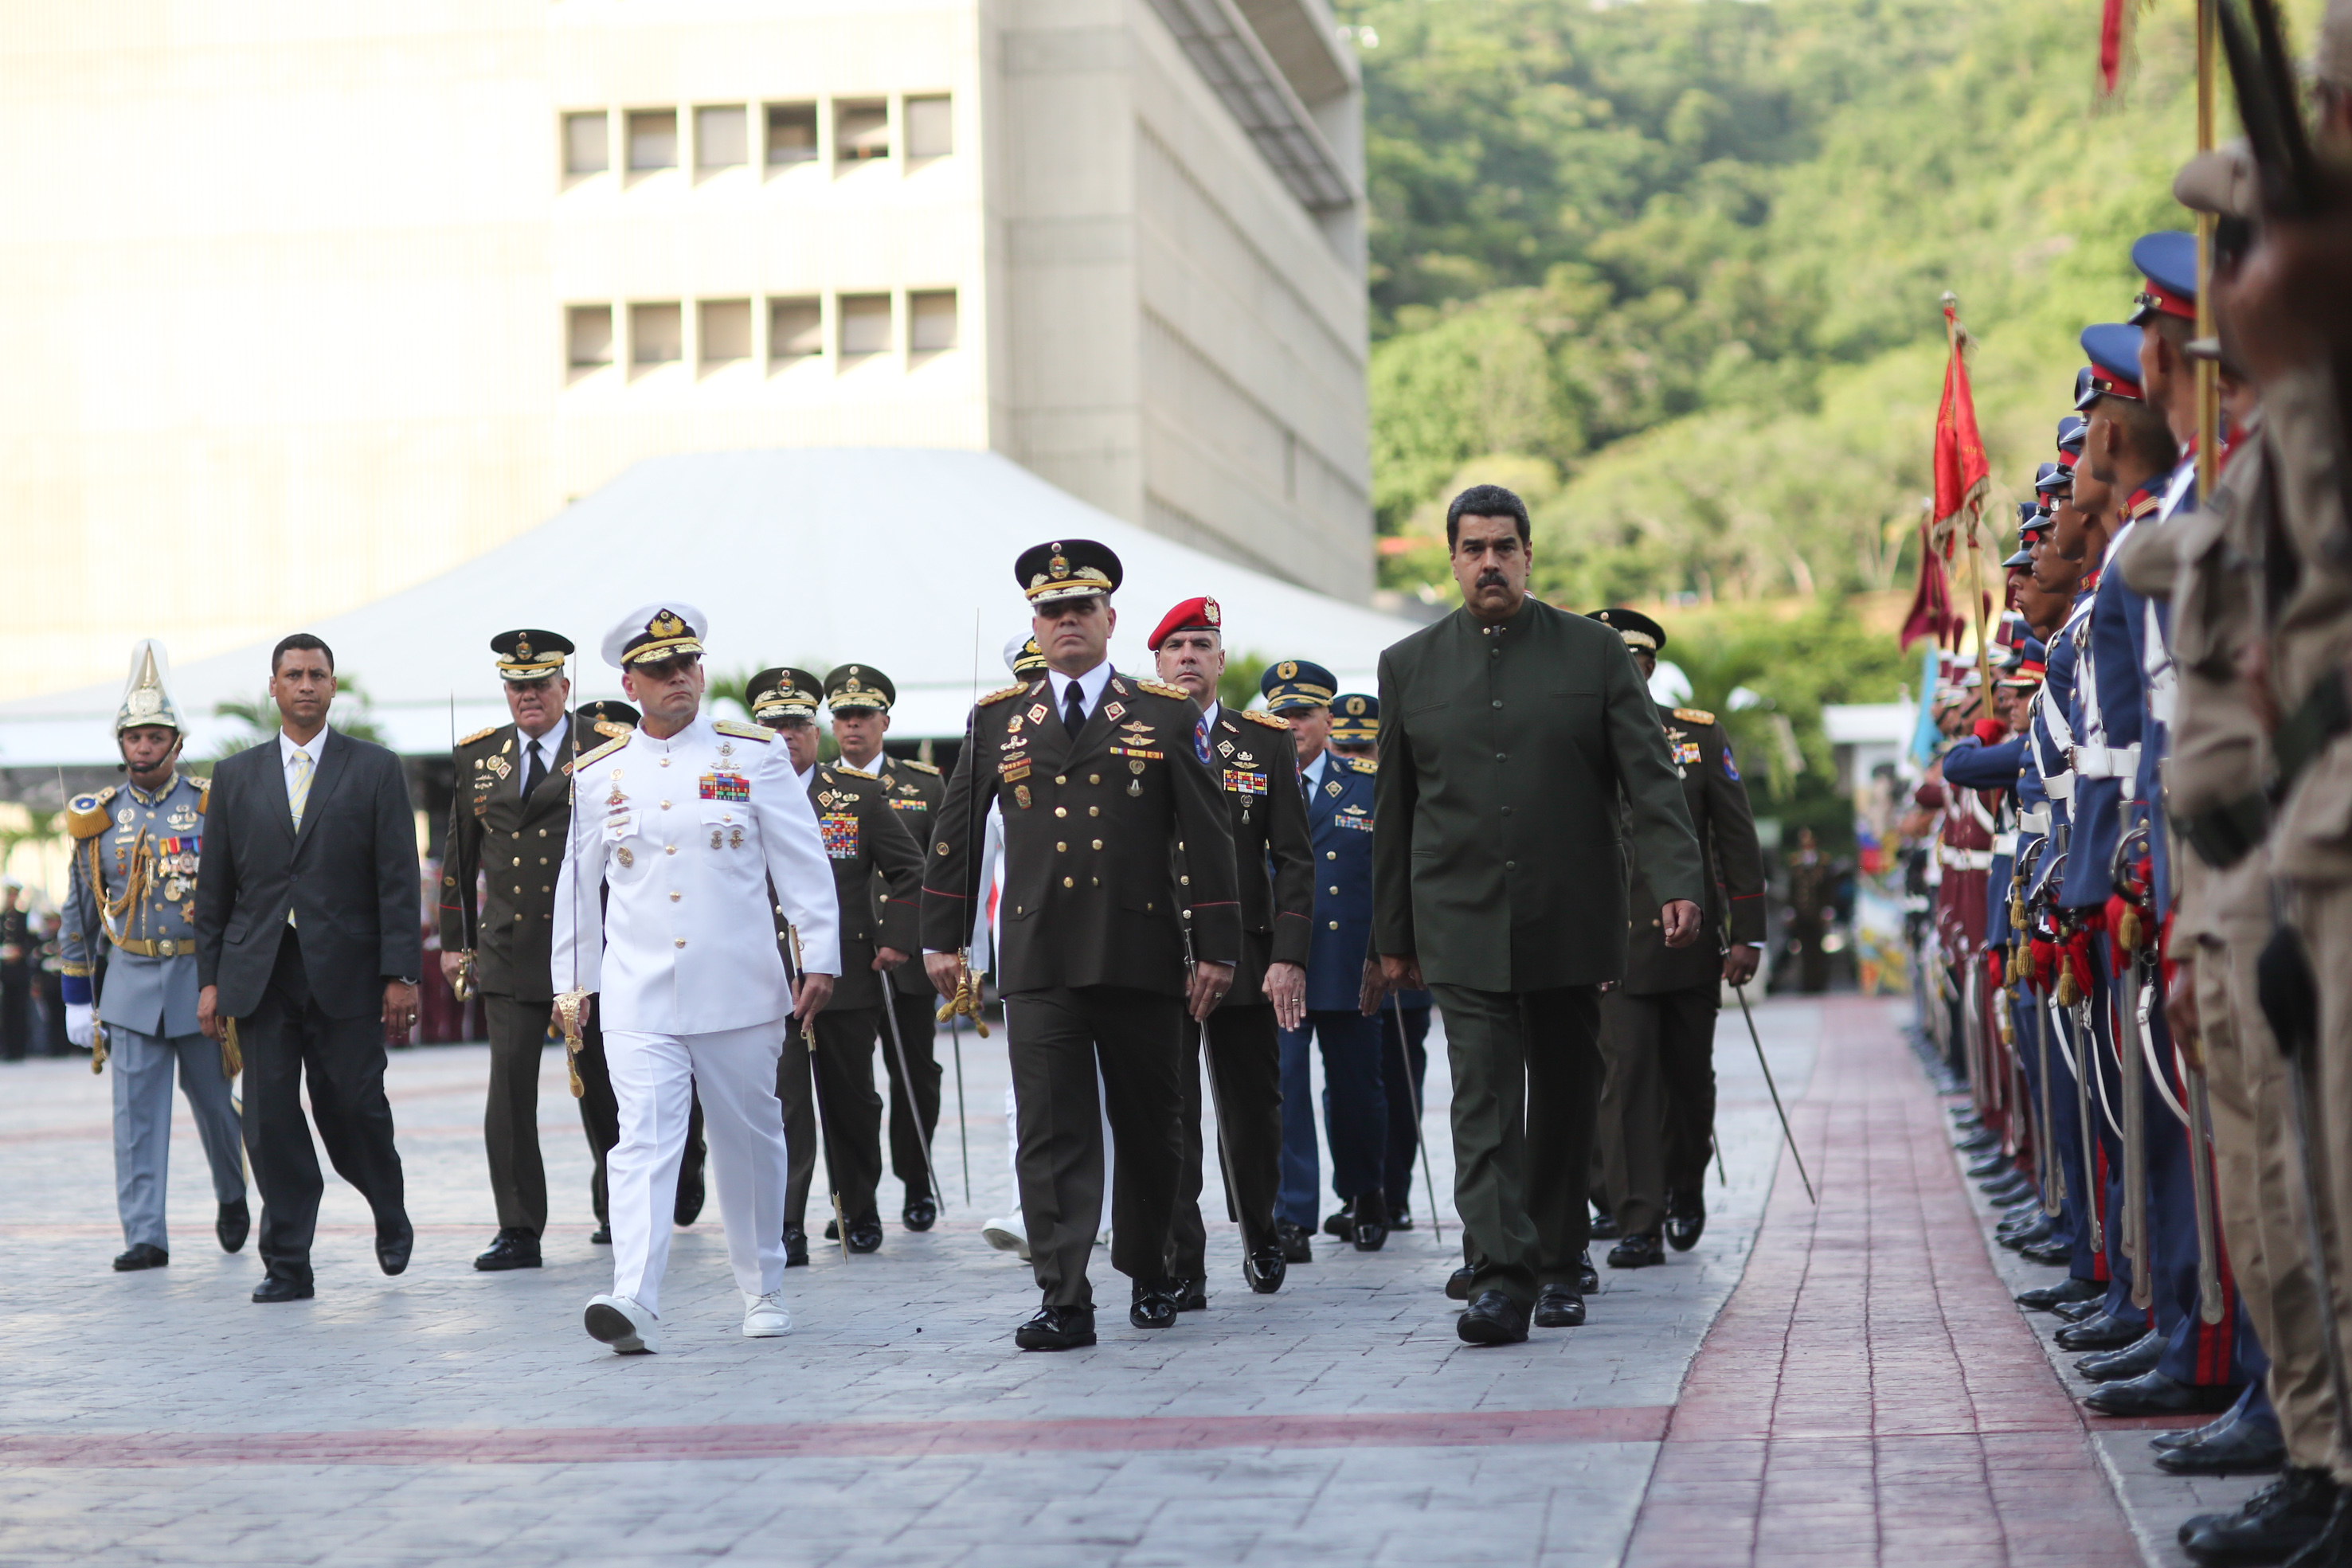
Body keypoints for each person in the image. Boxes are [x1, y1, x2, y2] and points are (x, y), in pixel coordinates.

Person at [1372, 483, 1704, 1345]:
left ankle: (1558, 1259)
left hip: (1568, 912)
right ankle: (1499, 1274)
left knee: (1561, 1100)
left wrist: (1677, 880)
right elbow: (1396, 814)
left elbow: (1649, 778)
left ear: (1528, 555)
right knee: (1480, 1100)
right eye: (1473, 547)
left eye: (1504, 546)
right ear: (1450, 559)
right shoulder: (1408, 665)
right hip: (1458, 916)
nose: (1489, 561)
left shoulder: (1591, 653)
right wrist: (1392, 939)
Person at [922, 539, 1240, 1351]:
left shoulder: (1163, 713)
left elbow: (1210, 837)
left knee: (1149, 1123)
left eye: (1081, 608)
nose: (1067, 622)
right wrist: (943, 939)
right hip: (1038, 954)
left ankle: (1150, 1268)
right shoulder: (999, 718)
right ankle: (1063, 1294)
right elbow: (956, 836)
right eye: (1052, 610)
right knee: (1050, 1129)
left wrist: (1217, 945)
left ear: (1108, 619)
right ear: (1036, 621)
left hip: (1137, 948)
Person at [552, 605, 839, 1353]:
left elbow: (801, 861)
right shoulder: (600, 772)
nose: (677, 677)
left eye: (687, 664)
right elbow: (578, 889)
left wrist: (819, 955)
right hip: (638, 988)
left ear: (702, 672)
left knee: (749, 1138)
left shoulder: (754, 754)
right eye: (659, 669)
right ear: (630, 682)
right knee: (642, 1139)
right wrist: (571, 984)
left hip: (738, 985)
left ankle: (762, 1283)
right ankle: (633, 1296)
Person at [193, 633, 421, 1304]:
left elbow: (398, 880)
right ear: (273, 686)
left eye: (317, 674)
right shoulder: (236, 777)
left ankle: (386, 1199)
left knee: (351, 1105)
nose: (305, 685)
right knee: (265, 1121)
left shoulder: (375, 768)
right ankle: (288, 1259)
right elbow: (214, 891)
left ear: (332, 685)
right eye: (292, 674)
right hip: (261, 973)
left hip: (347, 971)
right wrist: (209, 980)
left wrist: (400, 973)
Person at [440, 630, 655, 1273]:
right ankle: (518, 1227)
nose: (528, 695)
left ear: (566, 688)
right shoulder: (479, 758)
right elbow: (459, 856)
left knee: (604, 1090)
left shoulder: (607, 749)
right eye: (516, 685)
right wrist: (456, 941)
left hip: (589, 952)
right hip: (508, 950)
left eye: (540, 684)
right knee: (508, 1095)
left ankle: (622, 1208)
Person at [57, 642, 248, 1272]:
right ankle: (145, 1233)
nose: (143, 746)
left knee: (219, 1111)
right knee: (136, 1120)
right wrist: (78, 995)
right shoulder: (100, 820)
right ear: (121, 742)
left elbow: (240, 896)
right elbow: (80, 913)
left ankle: (232, 1192)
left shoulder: (210, 804)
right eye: (134, 736)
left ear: (176, 741)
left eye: (154, 735)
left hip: (201, 985)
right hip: (133, 986)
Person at [1583, 608, 1765, 1269]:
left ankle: (1685, 1182)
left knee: (1688, 1083)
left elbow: (1736, 837)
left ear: (1648, 667)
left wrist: (1746, 934)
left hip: (1686, 944)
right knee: (1624, 1078)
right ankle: (1638, 1218)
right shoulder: (1570, 740)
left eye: (1630, 663)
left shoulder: (1693, 735)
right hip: (1608, 943)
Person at [1149, 596, 1314, 1303]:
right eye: (1176, 645)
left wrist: (1288, 953)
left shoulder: (1263, 740)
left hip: (1246, 955)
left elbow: (1296, 858)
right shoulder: (1134, 736)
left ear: (1221, 660)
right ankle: (1182, 1259)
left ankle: (1260, 1230)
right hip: (1158, 954)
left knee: (1252, 1108)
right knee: (1170, 1113)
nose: (1188, 655)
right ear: (1155, 661)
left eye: (1201, 644)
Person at [748, 666, 923, 1262]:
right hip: (766, 976)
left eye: (796, 724)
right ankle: (787, 1220)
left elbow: (911, 871)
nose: (785, 736)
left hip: (846, 973)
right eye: (771, 725)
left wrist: (895, 940)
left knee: (851, 1100)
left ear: (816, 732)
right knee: (784, 1102)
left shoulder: (857, 795)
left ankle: (858, 1206)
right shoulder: (732, 795)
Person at [1262, 660, 1390, 1260]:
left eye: (1303, 714)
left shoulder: (1366, 783)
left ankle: (1365, 1191)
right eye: (1281, 714)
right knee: (1284, 1085)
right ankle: (1292, 1214)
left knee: (1357, 1090)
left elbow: (1389, 876)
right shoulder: (1252, 781)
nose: (1292, 725)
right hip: (1282, 963)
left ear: (1328, 720)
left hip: (1347, 961)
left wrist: (1386, 952)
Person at [823, 663, 951, 1232]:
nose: (853, 726)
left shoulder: (923, 784)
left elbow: (939, 869)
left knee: (914, 1074)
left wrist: (938, 940)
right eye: (843, 716)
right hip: (846, 958)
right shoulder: (813, 786)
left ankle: (917, 1180)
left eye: (863, 716)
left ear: (884, 720)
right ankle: (853, 1196)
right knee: (848, 1085)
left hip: (907, 957)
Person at [1332, 692, 1438, 1231]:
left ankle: (1393, 1191)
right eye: (1344, 745)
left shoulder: (1400, 791)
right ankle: (1356, 1190)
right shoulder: (1329, 794)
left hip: (1403, 965)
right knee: (1347, 1084)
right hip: (1346, 965)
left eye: (1364, 745)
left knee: (1399, 1080)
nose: (1354, 756)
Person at [0, 882, 29, 1062]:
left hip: (19, 972)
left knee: (20, 1011)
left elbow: (31, 942)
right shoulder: (2, 918)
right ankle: (7, 1048)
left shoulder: (24, 918)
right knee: (6, 1011)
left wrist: (20, 951)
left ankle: (19, 1049)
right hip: (4, 971)